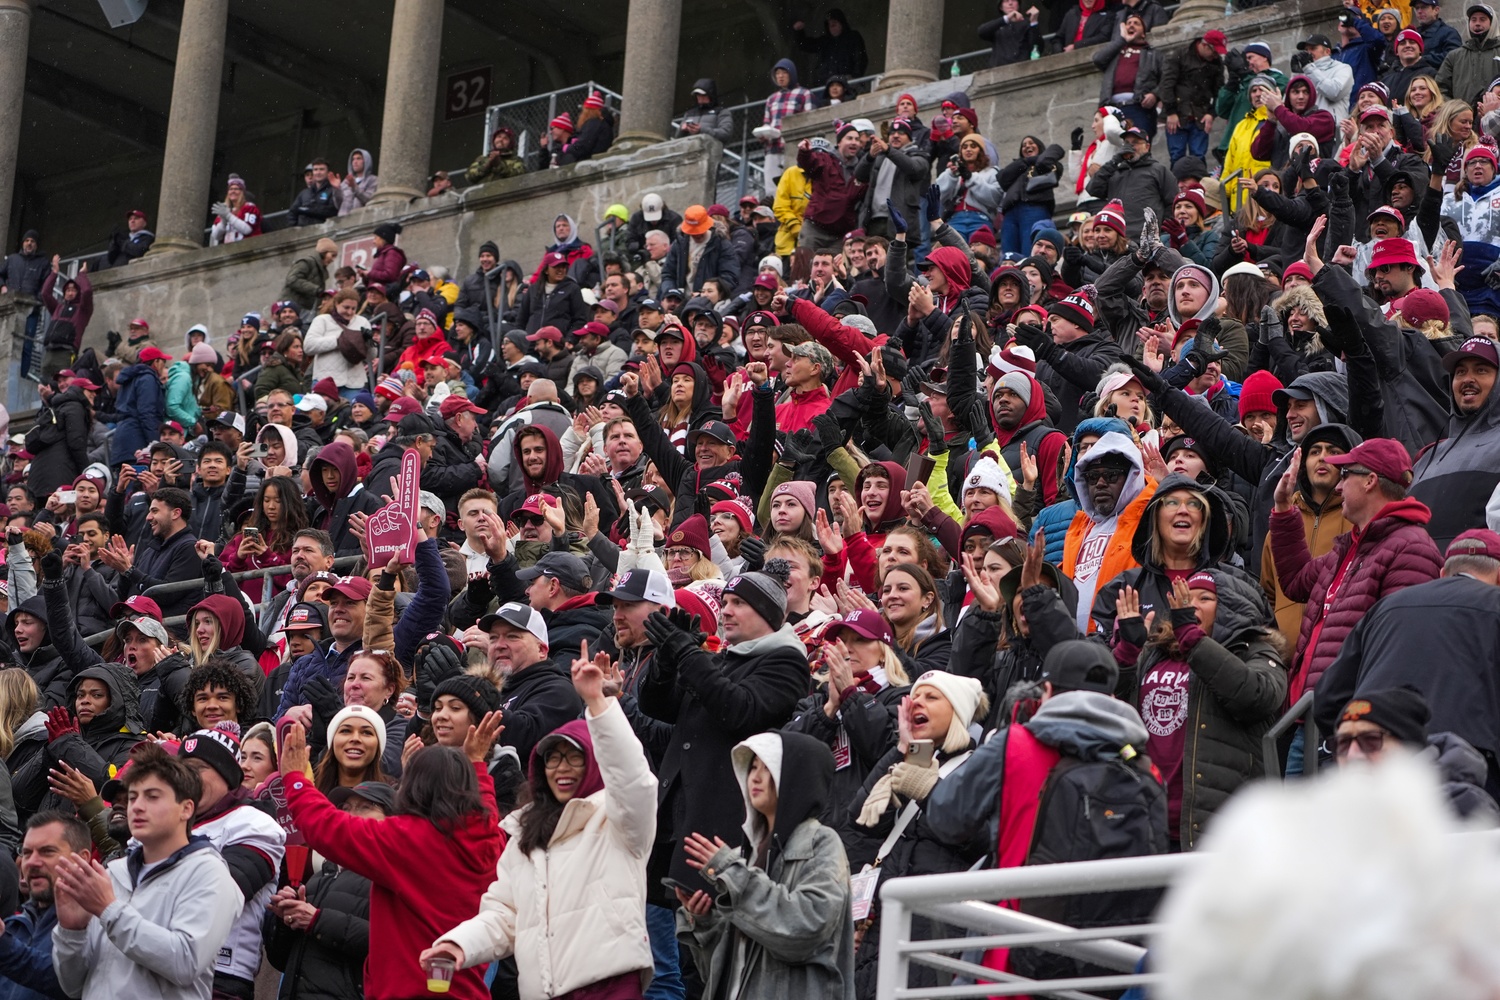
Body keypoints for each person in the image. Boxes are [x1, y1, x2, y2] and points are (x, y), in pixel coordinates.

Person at [425, 652, 657, 1000]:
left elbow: (633, 778)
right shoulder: (524, 832)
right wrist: (458, 944)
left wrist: (599, 703)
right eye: (552, 758)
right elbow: (504, 914)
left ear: (595, 763)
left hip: (609, 985)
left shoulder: (618, 821)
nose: (562, 768)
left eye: (575, 757)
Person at [280, 716, 504, 1000]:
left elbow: (327, 827)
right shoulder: (491, 837)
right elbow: (486, 808)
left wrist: (295, 779)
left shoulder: (408, 840)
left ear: (413, 787)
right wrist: (476, 765)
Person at [1313, 529, 1500, 795]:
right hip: (1476, 765)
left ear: (1443, 573)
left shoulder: (1386, 607)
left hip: (1379, 758)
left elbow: (1328, 697)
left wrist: (1359, 740)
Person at [1270, 438, 1442, 717]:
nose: (1338, 486)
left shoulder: (1412, 549)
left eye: (1345, 475)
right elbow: (1296, 580)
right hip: (1308, 716)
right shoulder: (1347, 549)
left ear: (1370, 481)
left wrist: (1359, 721)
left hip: (1351, 721)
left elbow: (1399, 649)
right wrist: (1283, 506)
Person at [50, 743, 238, 1000]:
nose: (136, 807)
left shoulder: (210, 873)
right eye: (132, 797)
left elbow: (185, 962)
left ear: (186, 808)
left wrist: (110, 910)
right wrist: (72, 932)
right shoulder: (112, 874)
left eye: (152, 796)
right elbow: (72, 986)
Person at [676, 730, 854, 1000]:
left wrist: (733, 875)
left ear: (796, 777)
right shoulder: (742, 855)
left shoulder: (821, 842)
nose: (755, 777)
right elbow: (725, 972)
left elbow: (806, 929)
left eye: (767, 768)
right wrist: (703, 922)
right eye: (752, 767)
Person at [177, 723, 287, 1000]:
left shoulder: (255, 823)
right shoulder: (169, 822)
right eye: (182, 769)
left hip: (219, 979)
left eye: (199, 768)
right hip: (153, 968)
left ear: (226, 774)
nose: (188, 777)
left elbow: (216, 895)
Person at [262, 782, 386, 1000]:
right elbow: (281, 960)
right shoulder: (321, 876)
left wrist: (317, 921)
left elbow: (390, 945)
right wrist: (286, 920)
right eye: (345, 808)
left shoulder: (391, 877)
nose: (351, 814)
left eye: (366, 807)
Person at [0, 811, 91, 1000]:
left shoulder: (97, 928)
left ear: (81, 858)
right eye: (26, 853)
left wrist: (5, 947)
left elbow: (70, 983)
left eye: (47, 851)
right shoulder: (13, 927)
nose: (32, 862)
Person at [793, 8, 869, 85]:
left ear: (842, 23)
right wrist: (799, 32)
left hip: (846, 83)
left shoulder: (853, 37)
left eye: (834, 23)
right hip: (825, 84)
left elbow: (860, 59)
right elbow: (805, 45)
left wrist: (854, 79)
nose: (832, 27)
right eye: (829, 25)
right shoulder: (825, 41)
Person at [288, 158, 341, 226]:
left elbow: (332, 211)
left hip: (323, 229)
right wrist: (295, 228)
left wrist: (307, 210)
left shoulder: (333, 190)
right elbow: (292, 212)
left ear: (328, 172)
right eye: (315, 169)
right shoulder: (304, 193)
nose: (318, 172)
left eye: (321, 169)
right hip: (303, 230)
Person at [337, 148, 377, 217]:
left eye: (358, 158)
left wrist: (354, 188)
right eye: (353, 159)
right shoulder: (346, 181)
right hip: (342, 219)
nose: (355, 162)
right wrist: (336, 189)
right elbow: (338, 204)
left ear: (366, 161)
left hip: (360, 219)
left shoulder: (373, 180)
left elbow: (369, 200)